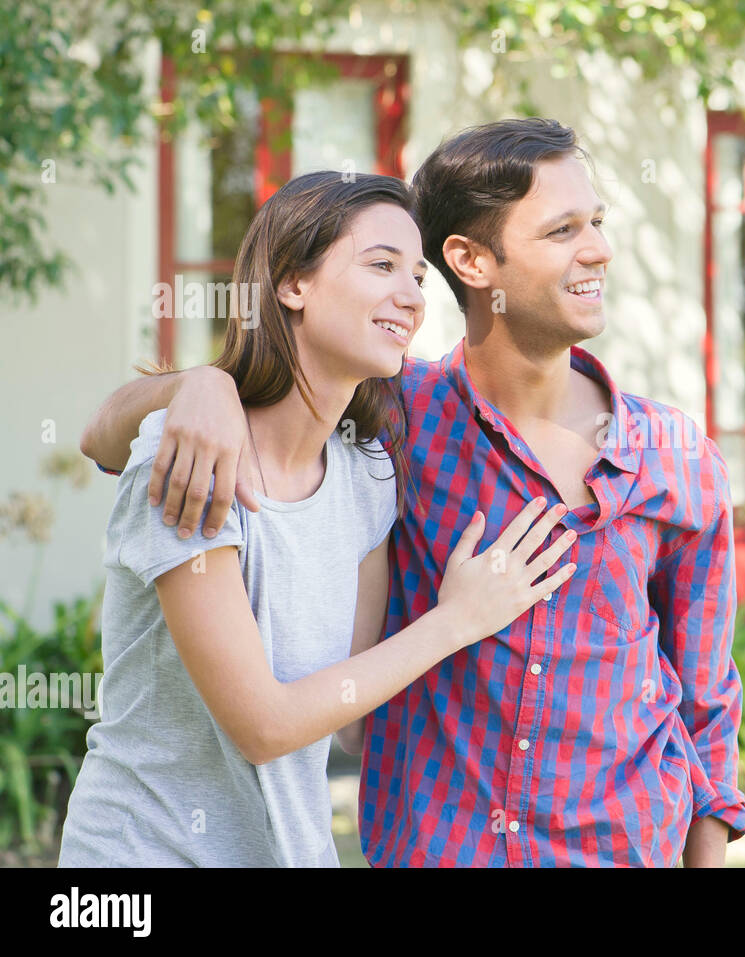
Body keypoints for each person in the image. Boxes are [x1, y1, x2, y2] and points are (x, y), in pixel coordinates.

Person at [80, 118, 745, 867]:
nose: (598, 248)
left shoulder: (670, 457)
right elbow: (104, 437)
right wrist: (197, 384)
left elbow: (707, 698)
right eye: (562, 229)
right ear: (472, 259)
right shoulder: (390, 427)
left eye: (595, 223)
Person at [62, 170, 575, 867]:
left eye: (418, 277)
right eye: (381, 265)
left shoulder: (366, 477)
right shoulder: (192, 457)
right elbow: (264, 726)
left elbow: (352, 723)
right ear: (292, 284)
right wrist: (456, 619)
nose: (411, 297)